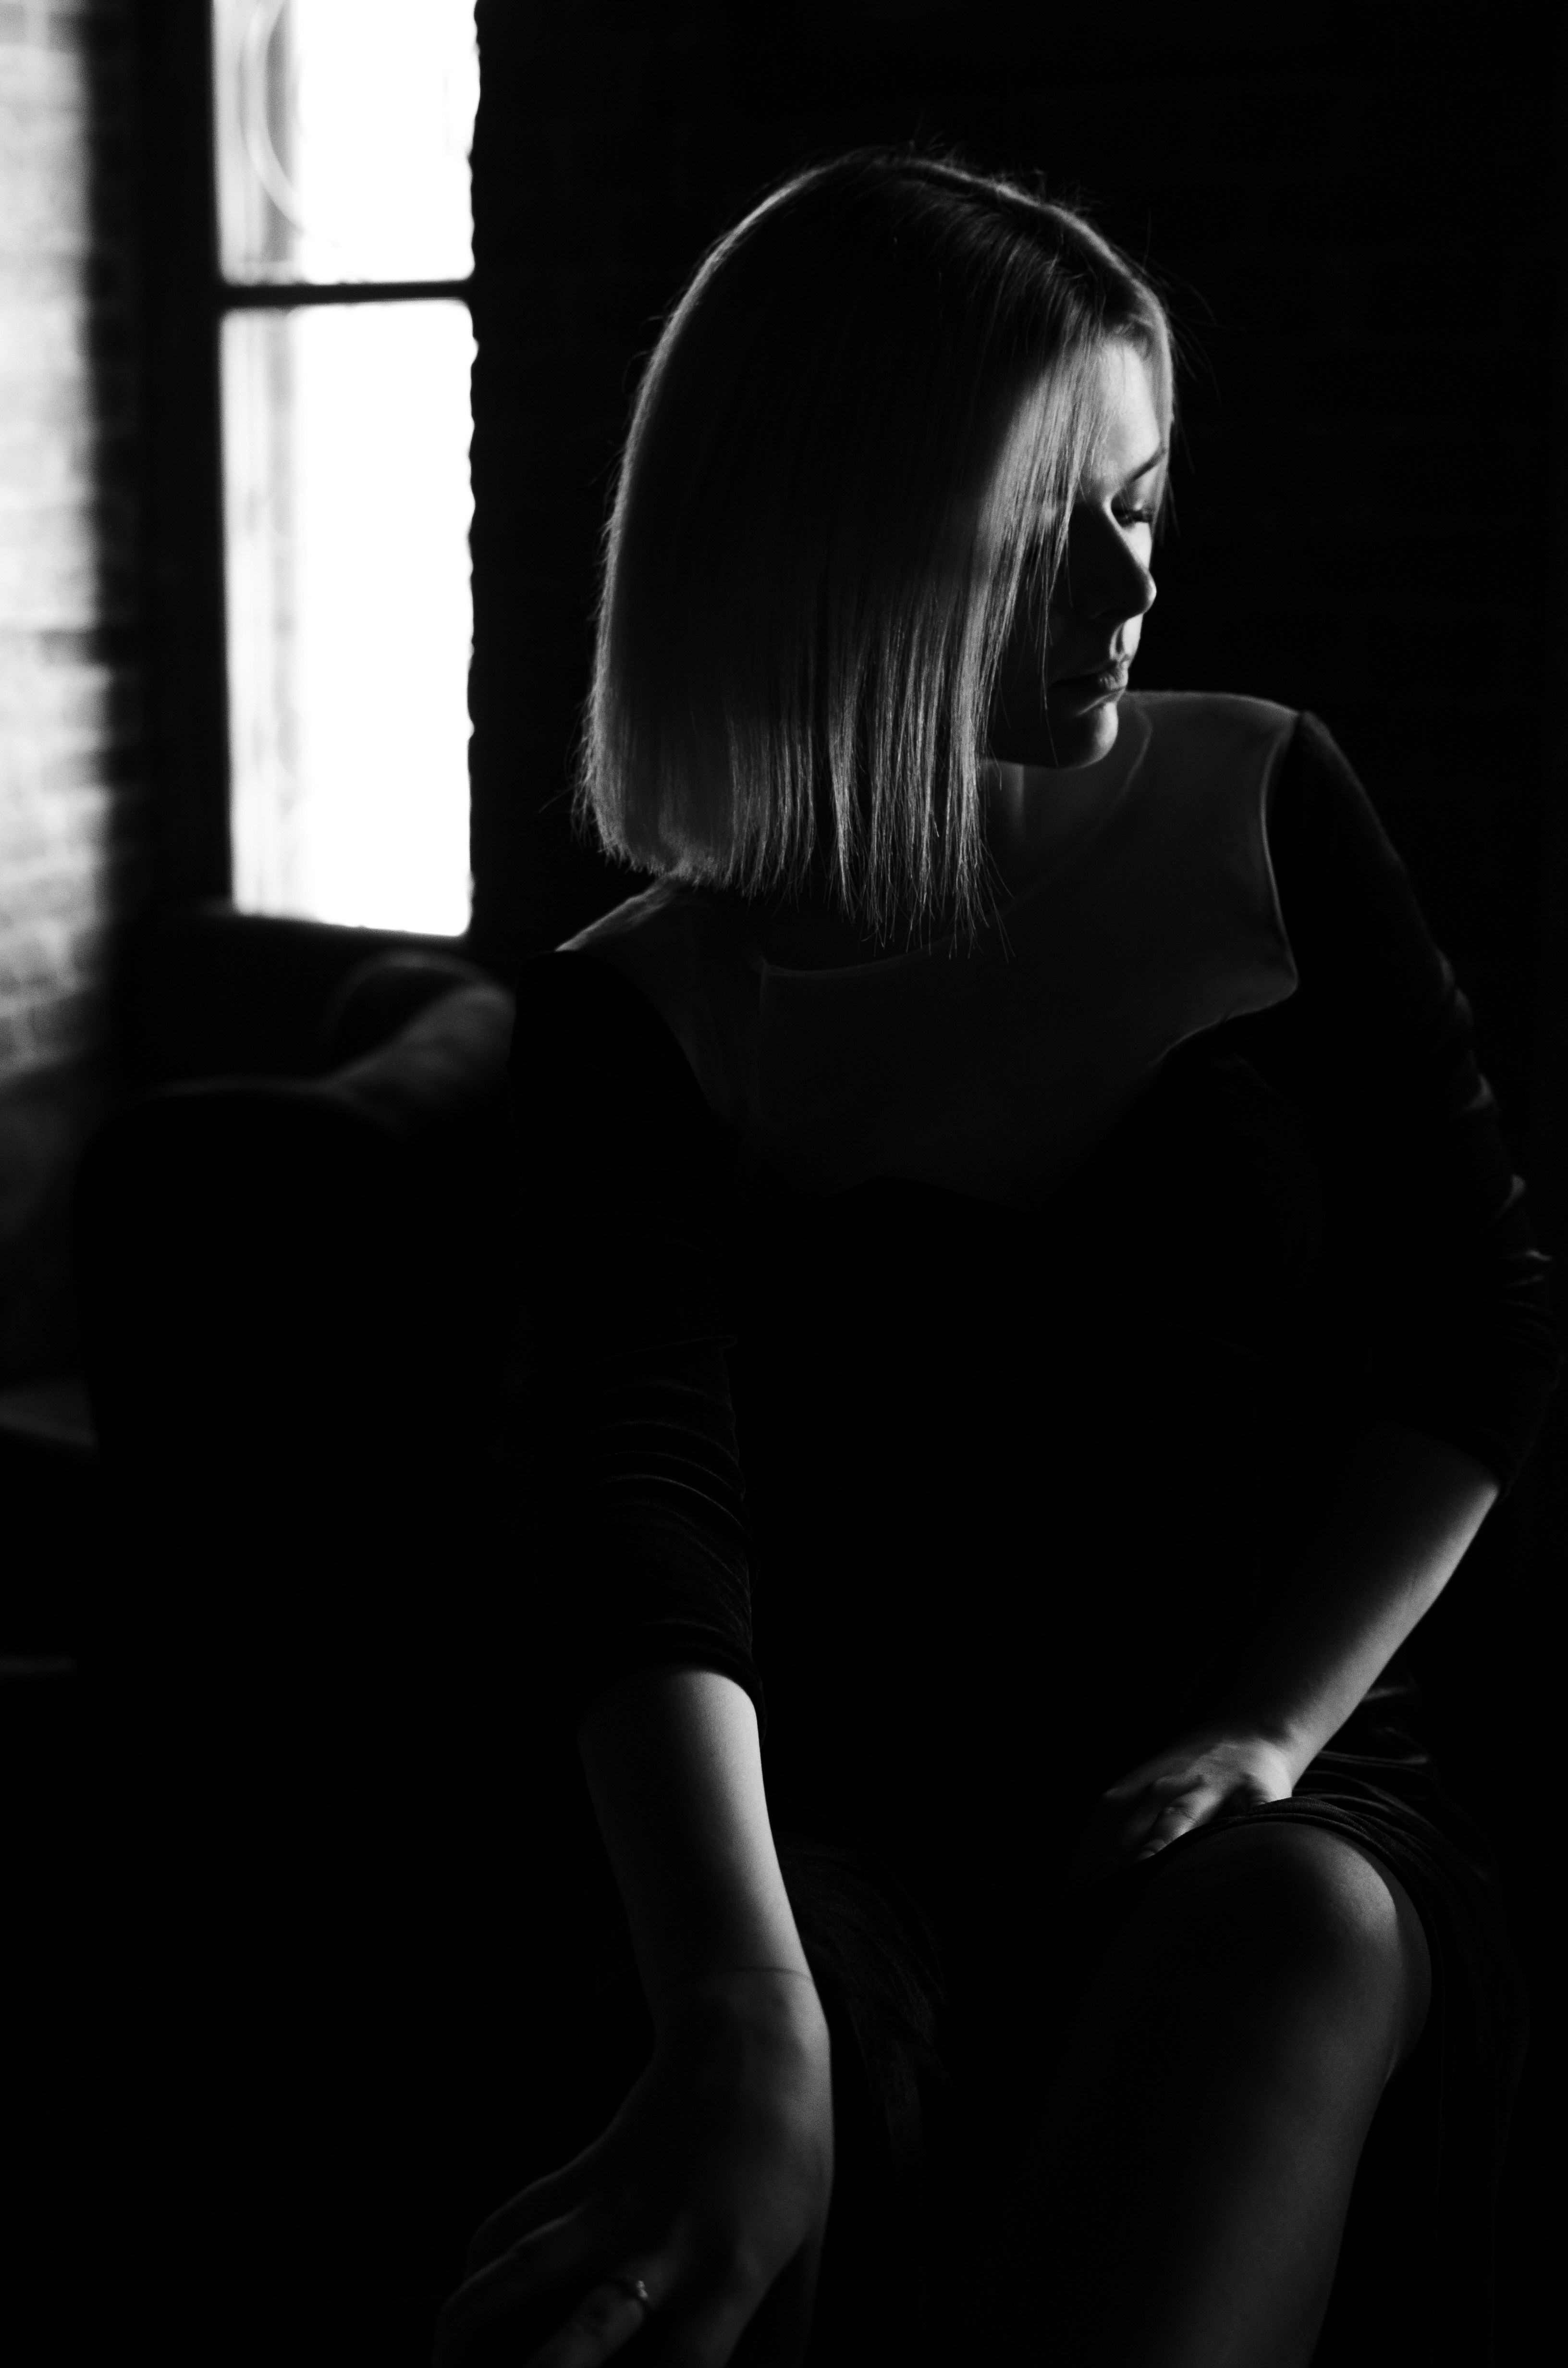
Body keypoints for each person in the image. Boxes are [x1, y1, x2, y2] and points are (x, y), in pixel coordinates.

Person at [435, 151, 1558, 2368]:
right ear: (836, 538)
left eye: (1143, 491)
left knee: (1286, 1939)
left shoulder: (1264, 803)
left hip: (1272, 1764)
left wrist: (1267, 1724)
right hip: (822, 1824)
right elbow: (646, 1524)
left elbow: (1479, 1327)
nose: (1133, 571)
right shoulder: (643, 1010)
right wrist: (745, 2000)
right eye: (1054, 511)